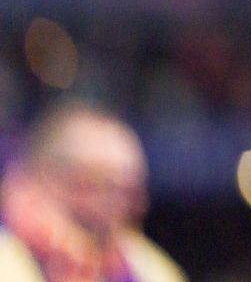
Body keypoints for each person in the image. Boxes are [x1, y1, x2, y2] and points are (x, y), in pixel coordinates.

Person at [0, 102, 186, 282]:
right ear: (56, 182)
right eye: (114, 188)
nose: (139, 205)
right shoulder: (7, 257)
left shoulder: (144, 266)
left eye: (135, 189)